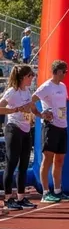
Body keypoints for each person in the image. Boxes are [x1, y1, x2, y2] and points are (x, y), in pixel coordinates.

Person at [33, 59, 69, 203]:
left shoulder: (63, 86)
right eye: (64, 72)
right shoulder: (46, 87)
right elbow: (31, 100)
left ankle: (58, 190)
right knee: (48, 159)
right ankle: (45, 193)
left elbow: (63, 104)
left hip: (63, 126)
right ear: (56, 72)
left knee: (60, 160)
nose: (65, 74)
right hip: (50, 127)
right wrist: (41, 114)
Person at [0, 64, 36, 211]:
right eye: (30, 76)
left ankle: (21, 197)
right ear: (23, 77)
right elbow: (0, 107)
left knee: (24, 164)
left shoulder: (27, 91)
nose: (32, 78)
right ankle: (8, 198)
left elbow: (31, 107)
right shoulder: (12, 92)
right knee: (12, 163)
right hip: (13, 128)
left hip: (26, 129)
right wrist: (15, 109)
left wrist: (41, 115)